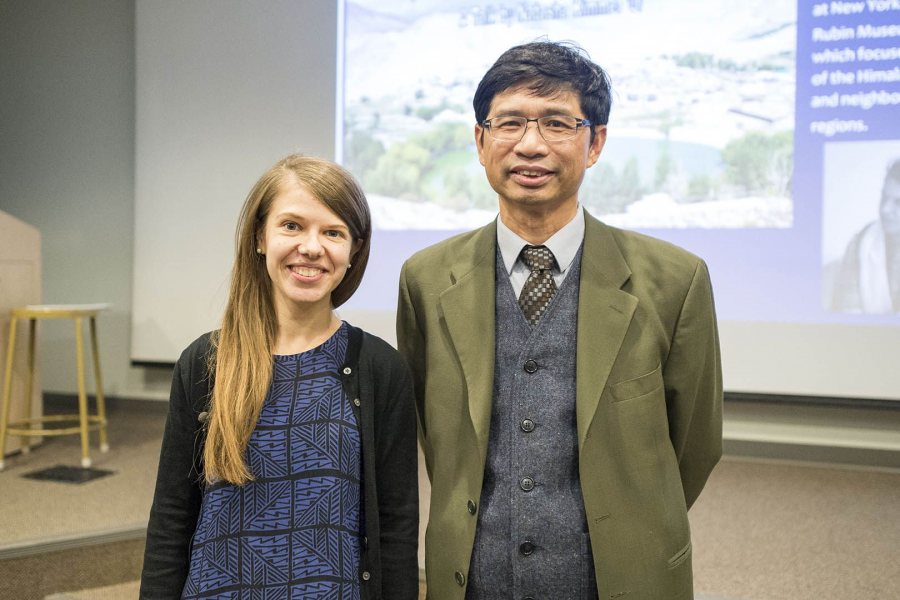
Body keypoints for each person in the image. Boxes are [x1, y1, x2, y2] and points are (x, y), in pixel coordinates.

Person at [397, 42, 722, 599]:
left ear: (594, 142)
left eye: (556, 123)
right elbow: (434, 437)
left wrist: (630, 521)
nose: (530, 144)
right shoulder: (426, 279)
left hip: (615, 578)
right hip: (475, 578)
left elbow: (694, 441)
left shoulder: (675, 281)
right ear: (480, 141)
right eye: (510, 123)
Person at [140, 155, 418, 599]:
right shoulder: (205, 362)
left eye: (333, 232)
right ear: (260, 237)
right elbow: (172, 517)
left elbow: (396, 524)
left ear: (353, 251)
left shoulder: (379, 368)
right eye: (292, 226)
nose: (312, 247)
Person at [830, 158, 900, 313]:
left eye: (898, 202)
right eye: (884, 198)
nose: (885, 209)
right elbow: (848, 309)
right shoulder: (861, 243)